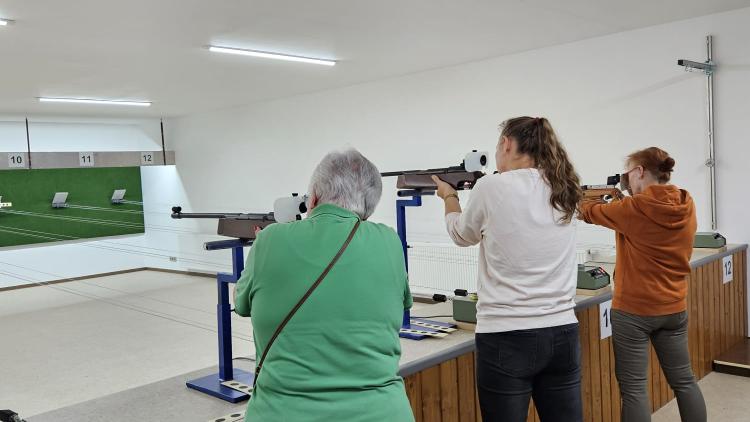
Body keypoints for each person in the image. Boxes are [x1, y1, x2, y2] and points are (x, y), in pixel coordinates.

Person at [233, 148, 414, 422]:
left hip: (283, 413)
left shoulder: (269, 240)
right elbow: (402, 303)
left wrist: (264, 245)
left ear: (314, 196)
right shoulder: (389, 241)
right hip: (382, 412)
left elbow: (241, 304)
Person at [432, 117, 583, 422]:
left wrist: (449, 196)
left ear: (507, 144)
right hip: (562, 329)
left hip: (506, 335)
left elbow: (462, 234)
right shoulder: (564, 186)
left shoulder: (492, 186)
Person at [579, 147, 706, 422]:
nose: (626, 180)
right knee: (684, 381)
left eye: (628, 174)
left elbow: (587, 212)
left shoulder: (633, 208)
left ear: (639, 171)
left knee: (634, 389)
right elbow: (642, 217)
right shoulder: (687, 201)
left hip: (633, 312)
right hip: (674, 308)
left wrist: (586, 199)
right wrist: (620, 199)